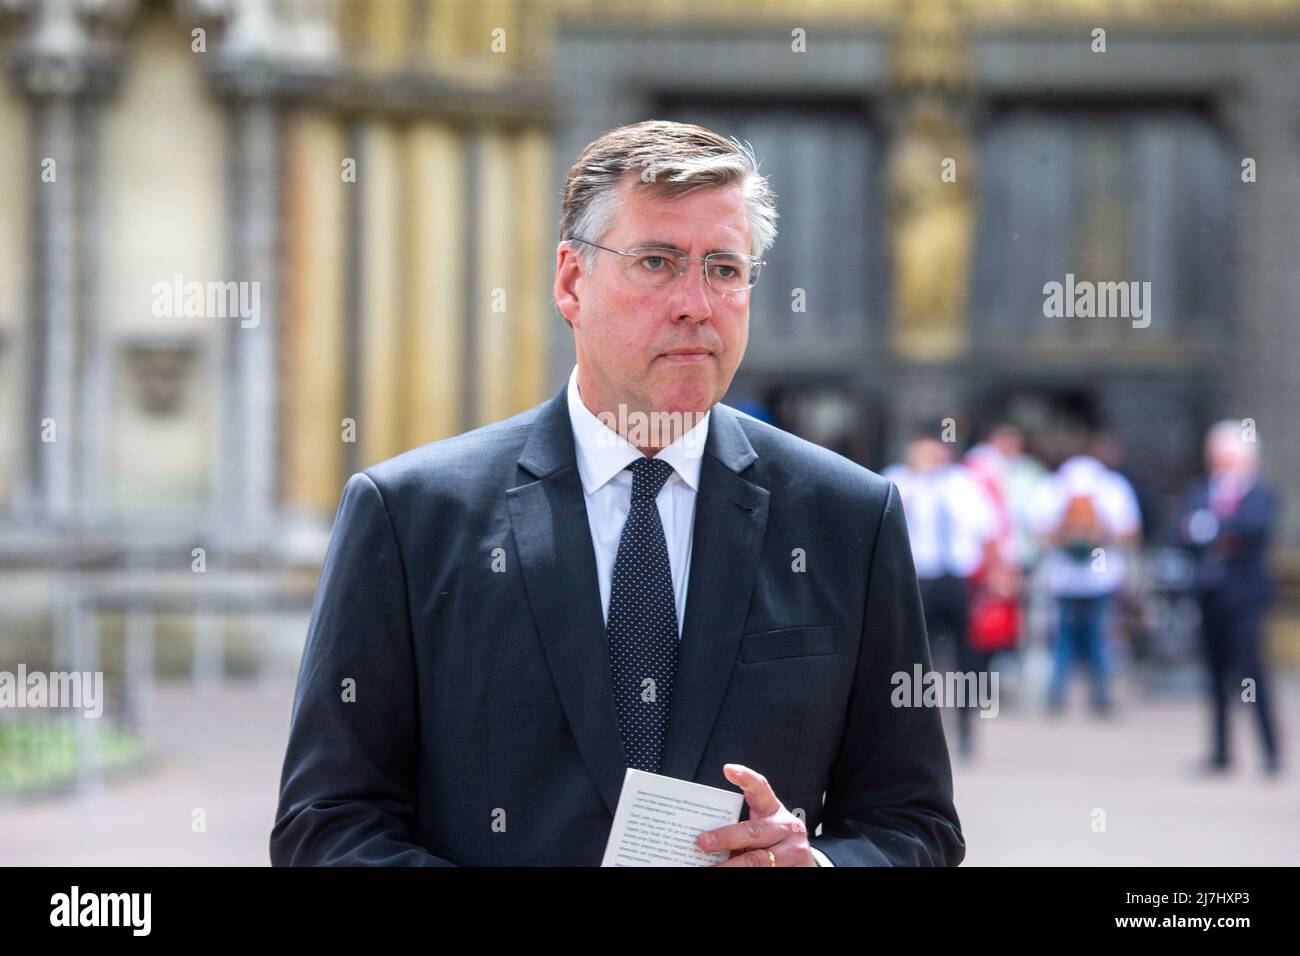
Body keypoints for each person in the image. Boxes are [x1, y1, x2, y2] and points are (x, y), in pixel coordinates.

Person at [270, 120, 964, 866]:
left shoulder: (849, 519)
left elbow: (913, 823)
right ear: (571, 281)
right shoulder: (409, 517)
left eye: (725, 269)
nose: (696, 303)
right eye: (658, 261)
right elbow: (328, 824)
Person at [884, 431, 998, 758]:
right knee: (917, 659)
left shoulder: (963, 483)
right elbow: (891, 520)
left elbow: (985, 530)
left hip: (957, 581)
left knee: (967, 660)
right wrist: (918, 478)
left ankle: (965, 729)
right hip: (919, 581)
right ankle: (919, 732)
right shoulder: (899, 480)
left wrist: (994, 575)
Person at [1178, 421, 1282, 776]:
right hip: (1210, 594)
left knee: (1252, 674)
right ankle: (1221, 753)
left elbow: (1253, 530)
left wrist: (1211, 530)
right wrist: (1215, 533)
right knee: (1215, 674)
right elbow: (1182, 530)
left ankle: (1270, 753)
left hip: (1245, 598)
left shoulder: (1260, 492)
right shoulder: (1202, 490)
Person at [1030, 441, 1141, 716]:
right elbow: (1131, 532)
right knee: (1096, 638)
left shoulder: (1051, 486)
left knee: (1064, 639)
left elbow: (1037, 532)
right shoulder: (1112, 486)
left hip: (1065, 579)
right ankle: (1099, 698)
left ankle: (1057, 697)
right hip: (1097, 578)